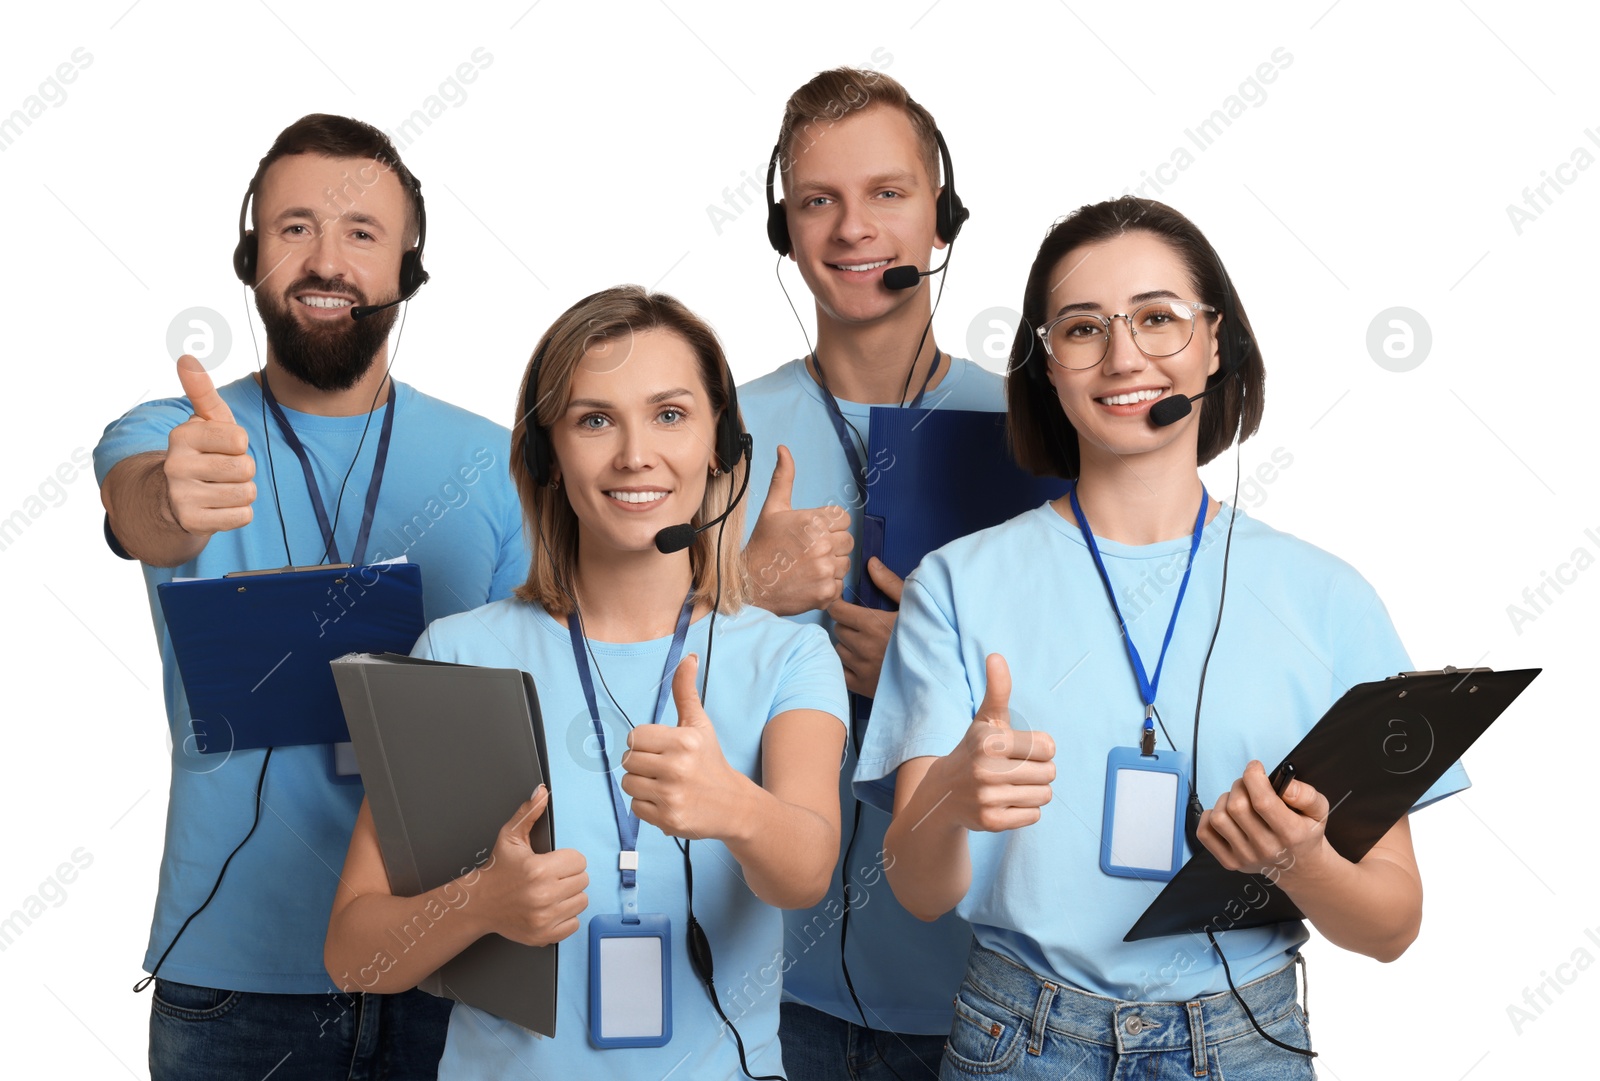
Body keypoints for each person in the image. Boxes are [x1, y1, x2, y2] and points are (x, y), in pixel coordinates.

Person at [856, 196, 1471, 1079]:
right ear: (1048, 367)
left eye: (1157, 318)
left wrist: (1300, 862)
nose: (1124, 356)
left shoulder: (1330, 596)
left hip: (1245, 1041)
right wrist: (951, 796)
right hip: (1019, 1039)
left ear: (1214, 342)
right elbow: (919, 889)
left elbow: (1392, 926)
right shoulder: (958, 585)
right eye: (1081, 329)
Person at [94, 114, 528, 1079]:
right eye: (294, 227)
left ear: (408, 267)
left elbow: (541, 686)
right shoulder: (171, 431)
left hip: (447, 964)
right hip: (232, 983)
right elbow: (142, 512)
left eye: (361, 233)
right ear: (251, 255)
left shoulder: (498, 465)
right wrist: (171, 490)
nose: (326, 260)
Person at [324, 285, 848, 1079]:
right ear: (545, 453)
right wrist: (481, 902)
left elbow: (806, 872)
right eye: (594, 418)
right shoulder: (458, 653)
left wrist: (732, 804)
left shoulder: (790, 657)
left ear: (720, 443)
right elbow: (353, 953)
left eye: (670, 414)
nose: (635, 453)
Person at [736, 66, 1003, 1078]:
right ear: (785, 230)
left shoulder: (1042, 430)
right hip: (763, 990)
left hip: (985, 991)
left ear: (942, 218)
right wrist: (740, 596)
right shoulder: (700, 431)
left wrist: (926, 681)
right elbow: (610, 676)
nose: (853, 230)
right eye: (818, 201)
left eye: (886, 194)